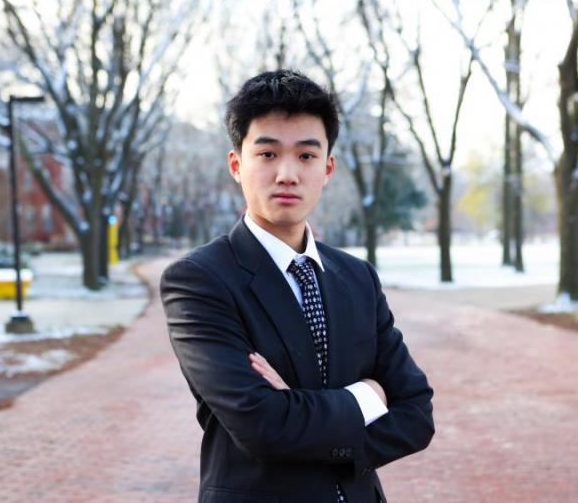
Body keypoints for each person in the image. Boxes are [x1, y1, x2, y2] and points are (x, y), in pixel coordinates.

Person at [160, 70, 434, 503]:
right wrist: (365, 397)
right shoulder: (200, 280)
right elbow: (260, 425)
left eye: (306, 156)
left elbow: (416, 414)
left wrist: (298, 410)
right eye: (267, 154)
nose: (287, 174)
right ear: (237, 164)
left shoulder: (357, 278)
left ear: (327, 169)